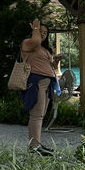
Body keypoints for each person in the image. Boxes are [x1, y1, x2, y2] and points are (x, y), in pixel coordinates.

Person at [20, 18, 63, 156]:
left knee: (40, 115)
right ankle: (34, 147)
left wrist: (55, 61)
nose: (43, 34)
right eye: (41, 31)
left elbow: (52, 68)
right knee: (36, 115)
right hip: (36, 82)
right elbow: (36, 40)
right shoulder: (28, 43)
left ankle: (36, 144)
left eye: (45, 32)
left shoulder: (44, 49)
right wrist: (36, 30)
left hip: (47, 84)